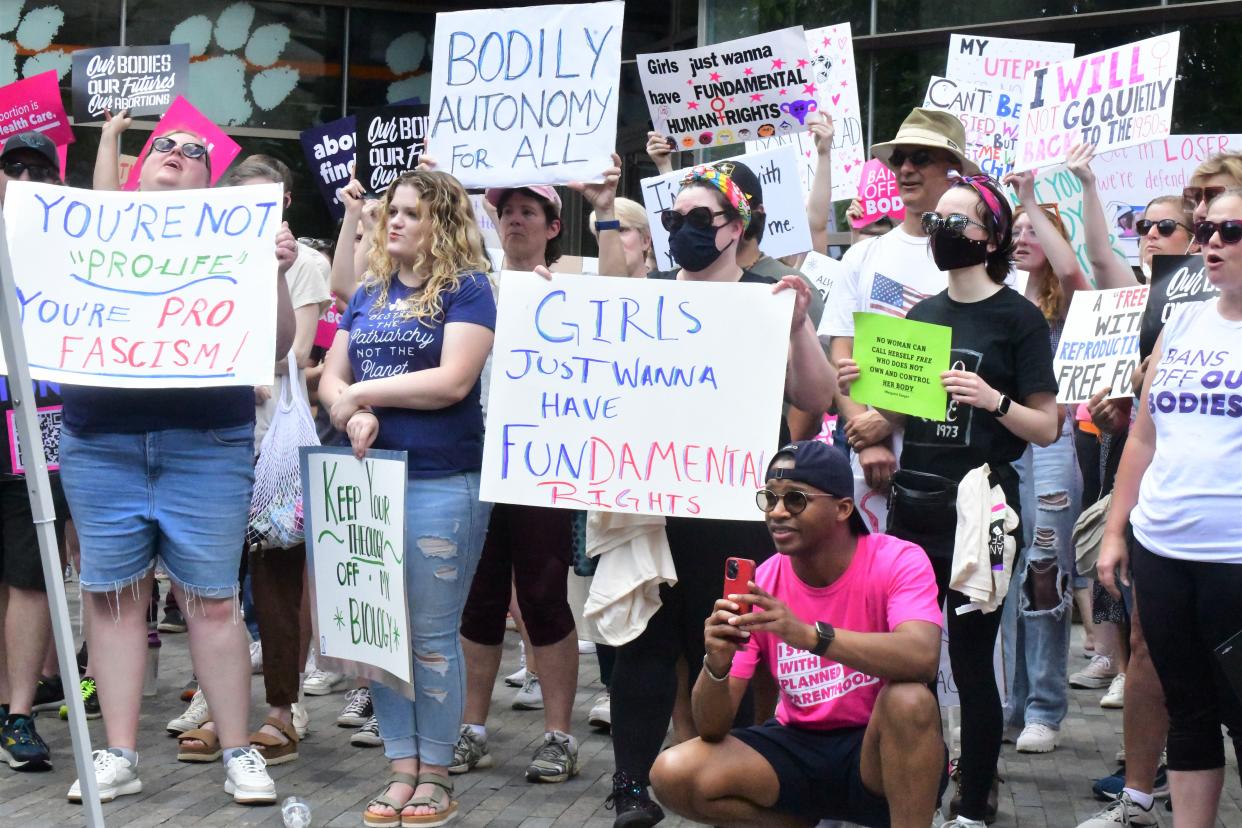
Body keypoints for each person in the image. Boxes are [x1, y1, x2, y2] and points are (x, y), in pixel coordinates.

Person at [590, 162, 833, 826]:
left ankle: (729, 774)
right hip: (651, 503)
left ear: (739, 225)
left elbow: (815, 398)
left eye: (703, 220)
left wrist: (798, 327)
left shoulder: (767, 297)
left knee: (727, 646)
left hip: (731, 512)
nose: (686, 232)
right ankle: (632, 786)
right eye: (676, 221)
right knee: (640, 641)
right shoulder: (655, 290)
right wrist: (609, 209)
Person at [63, 110, 296, 805]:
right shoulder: (89, 235)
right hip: (101, 439)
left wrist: (275, 272)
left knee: (214, 602)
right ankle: (120, 754)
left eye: (194, 151)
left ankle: (237, 752)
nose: (175, 152)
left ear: (210, 180)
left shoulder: (238, 242)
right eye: (162, 144)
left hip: (207, 441)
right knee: (112, 600)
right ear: (137, 168)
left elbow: (278, 345)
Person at [838, 173, 1060, 826]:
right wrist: (864, 391)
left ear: (991, 236)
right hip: (915, 506)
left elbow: (1045, 425)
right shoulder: (925, 313)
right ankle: (912, 790)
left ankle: (973, 802)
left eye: (956, 222)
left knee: (969, 661)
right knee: (907, 659)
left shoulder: (1017, 317)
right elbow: (897, 414)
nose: (940, 233)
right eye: (934, 221)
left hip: (985, 509)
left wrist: (993, 401)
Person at [319, 168, 495, 826]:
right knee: (378, 634)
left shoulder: (469, 290)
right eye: (392, 210)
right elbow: (332, 378)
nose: (393, 221)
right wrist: (349, 411)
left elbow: (452, 382)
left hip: (441, 481)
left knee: (427, 635)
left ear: (441, 224)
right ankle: (400, 767)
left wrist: (363, 396)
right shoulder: (368, 291)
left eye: (411, 213)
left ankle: (437, 773)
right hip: (368, 485)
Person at [650, 441, 947, 828]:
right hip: (798, 744)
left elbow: (922, 657)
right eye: (768, 499)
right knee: (672, 773)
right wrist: (716, 664)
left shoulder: (897, 559)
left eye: (794, 500)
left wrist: (810, 635)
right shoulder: (762, 581)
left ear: (842, 508)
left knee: (909, 700)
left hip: (876, 749)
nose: (776, 512)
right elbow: (710, 728)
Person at [1090, 189, 1242, 828]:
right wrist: (1116, 531)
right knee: (1190, 710)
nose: (1210, 242)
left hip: (1233, 556)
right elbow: (1144, 436)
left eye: (1230, 231)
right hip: (1163, 546)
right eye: (1205, 228)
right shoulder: (1182, 321)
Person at [451, 179, 588, 785]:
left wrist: (606, 208)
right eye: (506, 211)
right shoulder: (473, 287)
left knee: (541, 595)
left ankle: (559, 735)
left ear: (553, 226)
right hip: (476, 457)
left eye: (529, 212)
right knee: (478, 599)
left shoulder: (573, 288)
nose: (515, 221)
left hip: (542, 461)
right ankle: (471, 728)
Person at [822, 108, 978, 522]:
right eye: (898, 159)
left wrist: (886, 421)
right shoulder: (862, 256)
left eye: (920, 158)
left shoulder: (981, 260)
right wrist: (866, 438)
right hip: (871, 468)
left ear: (954, 170)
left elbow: (981, 358)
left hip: (958, 463)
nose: (905, 169)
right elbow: (842, 353)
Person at [998, 173, 1090, 755]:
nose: (1025, 235)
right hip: (1005, 442)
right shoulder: (999, 295)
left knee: (1043, 568)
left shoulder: (1069, 301)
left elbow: (1078, 273)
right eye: (1017, 229)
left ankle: (1045, 709)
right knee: (1003, 567)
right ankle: (1012, 700)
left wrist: (1030, 198)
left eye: (1038, 230)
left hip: (1051, 445)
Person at [0, 131, 71, 773]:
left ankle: (17, 712)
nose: (23, 179)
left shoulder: (67, 240)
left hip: (38, 415)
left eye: (36, 170)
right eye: (11, 168)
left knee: (32, 567)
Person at [588, 197, 654, 277]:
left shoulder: (669, 285)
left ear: (645, 240)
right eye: (604, 233)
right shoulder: (583, 288)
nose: (613, 240)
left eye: (621, 230)